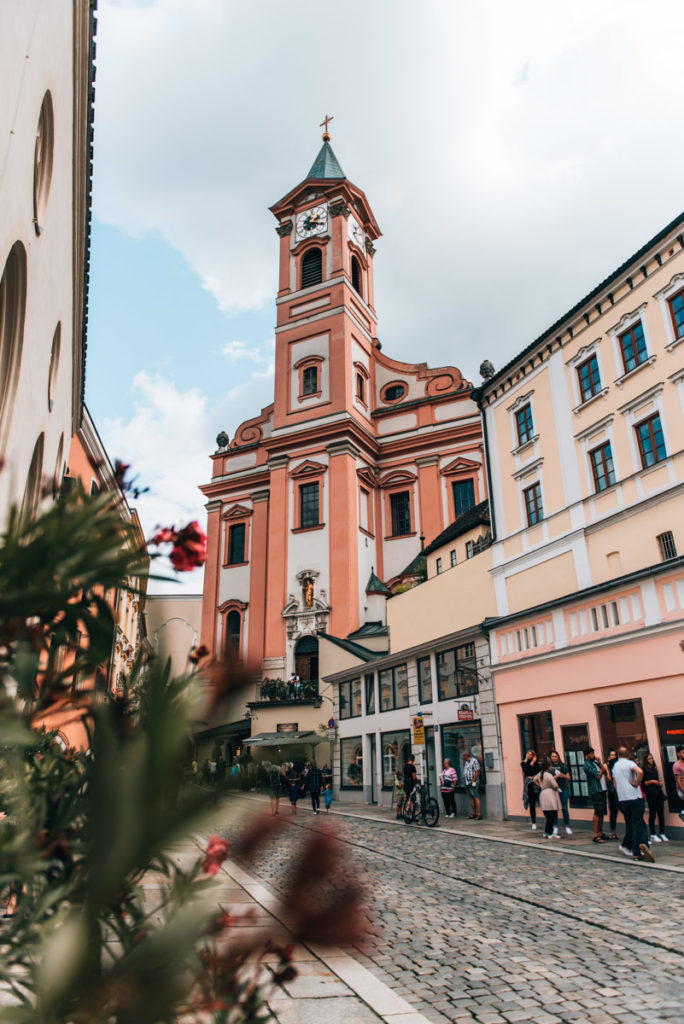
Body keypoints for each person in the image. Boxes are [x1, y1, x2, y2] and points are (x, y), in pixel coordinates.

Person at [612, 747, 654, 862]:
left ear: (618, 755)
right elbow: (640, 772)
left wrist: (621, 792)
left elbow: (615, 783)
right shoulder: (629, 763)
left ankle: (635, 846)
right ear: (627, 754)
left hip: (623, 798)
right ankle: (638, 850)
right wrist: (636, 783)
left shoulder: (615, 766)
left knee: (632, 822)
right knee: (638, 823)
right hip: (634, 796)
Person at [583, 748, 608, 843]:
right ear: (587, 755)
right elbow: (598, 776)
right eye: (591, 753)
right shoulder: (587, 764)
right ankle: (595, 834)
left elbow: (604, 771)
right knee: (597, 811)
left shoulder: (595, 762)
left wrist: (600, 763)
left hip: (602, 789)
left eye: (593, 753)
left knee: (601, 811)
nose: (593, 755)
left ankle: (600, 832)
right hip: (596, 790)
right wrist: (602, 769)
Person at [641, 753, 667, 842]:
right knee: (652, 813)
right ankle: (653, 834)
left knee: (661, 813)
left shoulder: (654, 769)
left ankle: (662, 832)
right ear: (646, 760)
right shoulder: (643, 770)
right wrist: (652, 781)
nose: (651, 760)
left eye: (652, 758)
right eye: (649, 759)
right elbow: (642, 783)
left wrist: (659, 783)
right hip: (650, 793)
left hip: (658, 792)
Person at [533, 759, 562, 839]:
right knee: (552, 815)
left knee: (547, 815)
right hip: (550, 794)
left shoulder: (540, 774)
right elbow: (555, 785)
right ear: (548, 767)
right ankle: (550, 833)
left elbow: (534, 779)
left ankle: (546, 832)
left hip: (543, 794)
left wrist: (540, 785)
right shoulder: (549, 775)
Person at [549, 750, 572, 835]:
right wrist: (554, 777)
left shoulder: (563, 766)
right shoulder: (550, 767)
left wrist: (563, 775)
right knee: (554, 808)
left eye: (555, 756)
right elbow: (547, 779)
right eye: (552, 756)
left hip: (563, 788)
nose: (554, 758)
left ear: (558, 757)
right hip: (554, 789)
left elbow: (569, 778)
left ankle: (567, 826)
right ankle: (555, 827)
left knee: (564, 807)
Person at [521, 750, 540, 829]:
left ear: (533, 756)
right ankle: (534, 822)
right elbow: (526, 770)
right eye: (528, 754)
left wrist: (533, 777)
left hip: (537, 784)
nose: (529, 755)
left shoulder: (537, 764)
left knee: (541, 800)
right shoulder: (523, 763)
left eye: (531, 754)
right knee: (531, 803)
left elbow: (539, 772)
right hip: (529, 785)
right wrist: (532, 762)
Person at [606, 748, 619, 840]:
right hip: (611, 791)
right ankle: (613, 831)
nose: (613, 757)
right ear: (609, 757)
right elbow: (609, 778)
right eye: (612, 755)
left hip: (620, 791)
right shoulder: (607, 766)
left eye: (615, 755)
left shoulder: (618, 765)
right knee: (613, 811)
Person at [463, 752, 481, 820]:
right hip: (467, 783)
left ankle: (479, 814)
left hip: (473, 783)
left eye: (463, 756)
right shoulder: (466, 762)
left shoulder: (474, 761)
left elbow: (477, 771)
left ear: (466, 756)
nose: (463, 757)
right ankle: (473, 813)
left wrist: (473, 781)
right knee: (471, 798)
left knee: (476, 797)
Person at [673, 745, 684, 821]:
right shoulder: (676, 765)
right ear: (678, 754)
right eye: (683, 752)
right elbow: (678, 780)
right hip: (682, 790)